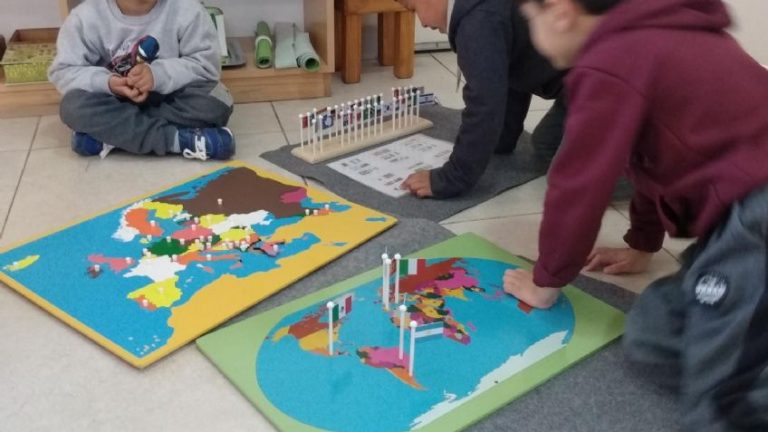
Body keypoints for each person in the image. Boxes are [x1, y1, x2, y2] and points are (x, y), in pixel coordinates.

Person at [505, 0, 768, 429]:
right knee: (652, 336)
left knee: (717, 403)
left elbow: (579, 185)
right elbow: (647, 161)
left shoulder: (610, 61)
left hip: (757, 215)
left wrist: (546, 281)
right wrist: (643, 243)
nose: (532, 35)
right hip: (740, 216)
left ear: (561, 12)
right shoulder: (636, 44)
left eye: (529, 18)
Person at [396, 0, 566, 198]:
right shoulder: (484, 12)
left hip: (591, 77)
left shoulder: (477, 23)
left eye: (414, 8)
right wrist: (503, 138)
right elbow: (507, 77)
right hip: (575, 77)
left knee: (551, 150)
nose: (422, 23)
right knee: (545, 141)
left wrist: (452, 177)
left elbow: (485, 104)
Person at [48, 0, 236, 160]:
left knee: (220, 98)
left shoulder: (189, 9)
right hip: (113, 102)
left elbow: (206, 67)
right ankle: (176, 140)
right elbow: (64, 72)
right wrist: (108, 83)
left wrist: (158, 75)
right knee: (72, 106)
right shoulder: (84, 17)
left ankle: (112, 136)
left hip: (169, 98)